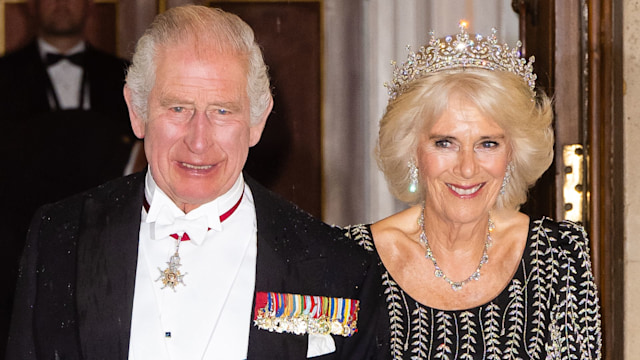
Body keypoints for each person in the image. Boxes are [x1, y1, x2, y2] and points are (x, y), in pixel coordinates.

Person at [6, 5, 381, 360]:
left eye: (222, 111)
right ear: (137, 112)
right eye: (178, 108)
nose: (198, 141)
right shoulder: (58, 238)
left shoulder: (337, 265)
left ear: (257, 120)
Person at [346, 24, 602, 359]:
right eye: (445, 143)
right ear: (412, 150)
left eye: (488, 143)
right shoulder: (351, 259)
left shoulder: (559, 256)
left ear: (513, 153)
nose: (467, 168)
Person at [0, 0, 134, 355]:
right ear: (30, 5)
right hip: (13, 261)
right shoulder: (3, 76)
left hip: (111, 257)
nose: (61, 3)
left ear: (91, 5)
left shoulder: (128, 77)